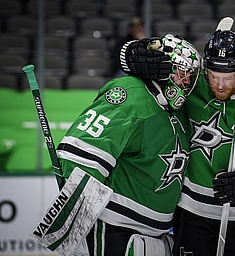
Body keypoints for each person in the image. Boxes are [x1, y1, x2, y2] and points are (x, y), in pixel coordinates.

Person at [120, 29, 235, 255]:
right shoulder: (190, 86)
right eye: (213, 76)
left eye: (228, 77)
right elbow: (146, 66)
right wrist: (134, 54)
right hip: (192, 214)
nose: (219, 85)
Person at [56, 35, 201, 255]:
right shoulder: (131, 95)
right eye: (181, 74)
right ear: (164, 69)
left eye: (190, 77)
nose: (186, 83)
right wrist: (78, 223)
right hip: (115, 231)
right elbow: (78, 155)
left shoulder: (178, 112)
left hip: (155, 237)